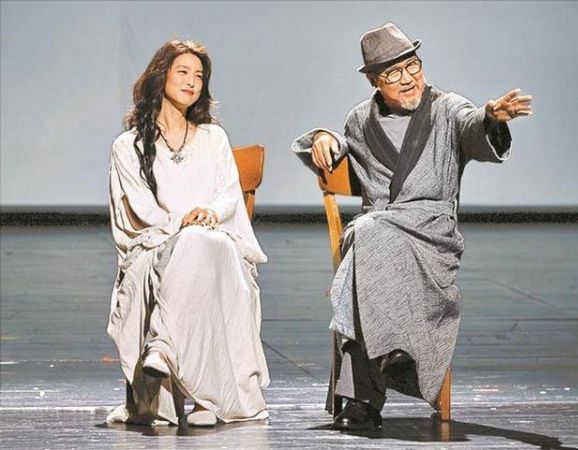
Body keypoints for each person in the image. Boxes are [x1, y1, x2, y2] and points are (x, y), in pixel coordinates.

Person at [292, 23, 533, 431]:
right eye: (393, 73)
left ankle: (363, 396)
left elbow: (471, 125)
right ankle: (389, 352)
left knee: (364, 240)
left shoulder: (447, 108)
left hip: (430, 237)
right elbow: (329, 147)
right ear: (374, 80)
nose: (407, 79)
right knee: (368, 237)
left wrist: (490, 118)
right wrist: (322, 137)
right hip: (378, 232)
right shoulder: (359, 120)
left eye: (412, 66)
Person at [105, 40, 269, 427]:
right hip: (158, 244)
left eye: (199, 76)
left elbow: (228, 196)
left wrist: (208, 214)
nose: (192, 82)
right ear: (160, 76)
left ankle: (164, 348)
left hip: (216, 241)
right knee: (193, 244)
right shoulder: (129, 145)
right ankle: (206, 399)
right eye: (183, 72)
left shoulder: (213, 137)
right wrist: (184, 225)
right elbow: (142, 209)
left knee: (205, 244)